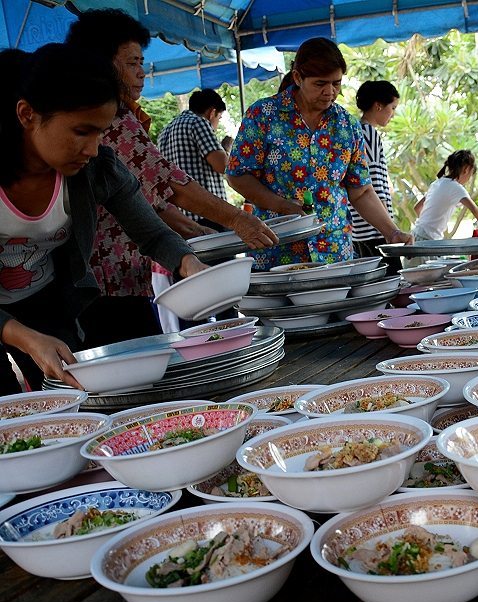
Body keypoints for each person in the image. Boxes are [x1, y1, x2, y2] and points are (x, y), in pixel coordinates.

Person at [0, 44, 206, 393]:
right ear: (27, 114)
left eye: (101, 132)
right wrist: (27, 339)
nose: (93, 148)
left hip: (48, 302)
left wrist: (189, 264)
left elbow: (153, 236)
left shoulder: (97, 169)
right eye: (82, 131)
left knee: (71, 401)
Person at [65, 9, 277, 346]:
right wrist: (238, 219)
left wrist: (196, 236)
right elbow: (172, 183)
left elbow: (150, 203)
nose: (142, 74)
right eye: (133, 63)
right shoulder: (116, 121)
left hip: (118, 279)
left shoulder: (126, 120)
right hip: (103, 286)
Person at [227, 38, 412, 270]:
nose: (330, 92)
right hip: (276, 250)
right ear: (297, 78)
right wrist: (282, 205)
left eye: (336, 83)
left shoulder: (347, 125)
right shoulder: (263, 115)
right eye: (320, 84)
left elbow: (361, 190)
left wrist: (391, 231)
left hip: (334, 252)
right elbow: (237, 174)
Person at [158, 89, 232, 231]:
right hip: (209, 214)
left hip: (181, 219)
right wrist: (226, 150)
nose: (216, 125)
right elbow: (223, 166)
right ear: (212, 112)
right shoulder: (198, 123)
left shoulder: (165, 132)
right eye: (219, 118)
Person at [348, 80, 400, 262]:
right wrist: (390, 228)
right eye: (392, 108)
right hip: (375, 228)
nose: (392, 114)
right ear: (378, 106)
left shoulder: (355, 130)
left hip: (359, 228)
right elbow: (375, 185)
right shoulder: (368, 134)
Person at [411, 150, 478, 241]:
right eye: (471, 175)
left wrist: (431, 223)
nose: (469, 179)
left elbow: (417, 208)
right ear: (466, 170)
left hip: (416, 234)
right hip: (427, 238)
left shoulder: (437, 183)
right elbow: (475, 210)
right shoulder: (456, 188)